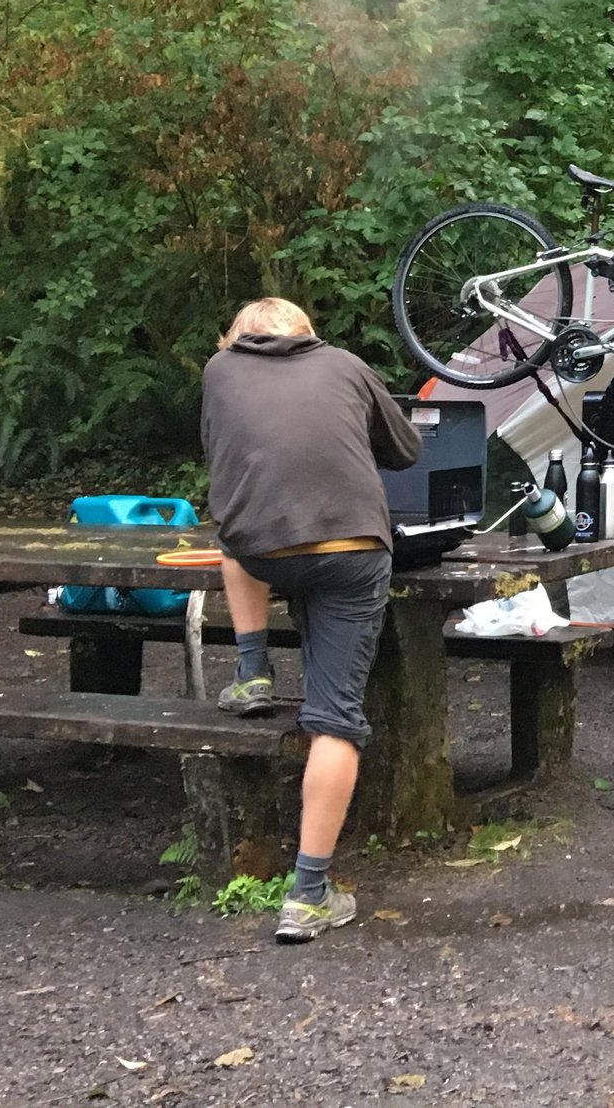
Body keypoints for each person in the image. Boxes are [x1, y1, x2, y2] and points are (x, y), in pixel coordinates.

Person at [199, 296, 422, 944]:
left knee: (231, 532)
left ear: (234, 339)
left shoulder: (219, 372)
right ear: (310, 336)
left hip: (259, 545)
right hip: (353, 548)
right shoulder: (346, 363)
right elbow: (405, 449)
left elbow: (227, 456)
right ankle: (307, 891)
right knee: (335, 718)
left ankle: (251, 670)